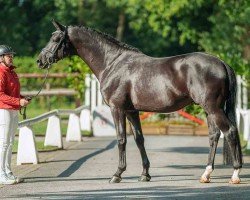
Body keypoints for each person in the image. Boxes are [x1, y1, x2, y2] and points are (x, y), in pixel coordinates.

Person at [0, 45, 30, 184]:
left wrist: (23, 98)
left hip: (13, 109)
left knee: (11, 142)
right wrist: (18, 101)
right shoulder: (1, 71)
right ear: (1, 58)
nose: (11, 58)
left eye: (11, 55)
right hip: (4, 109)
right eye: (8, 56)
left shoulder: (12, 72)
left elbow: (13, 91)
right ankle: (1, 174)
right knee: (4, 143)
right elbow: (0, 95)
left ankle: (7, 171)